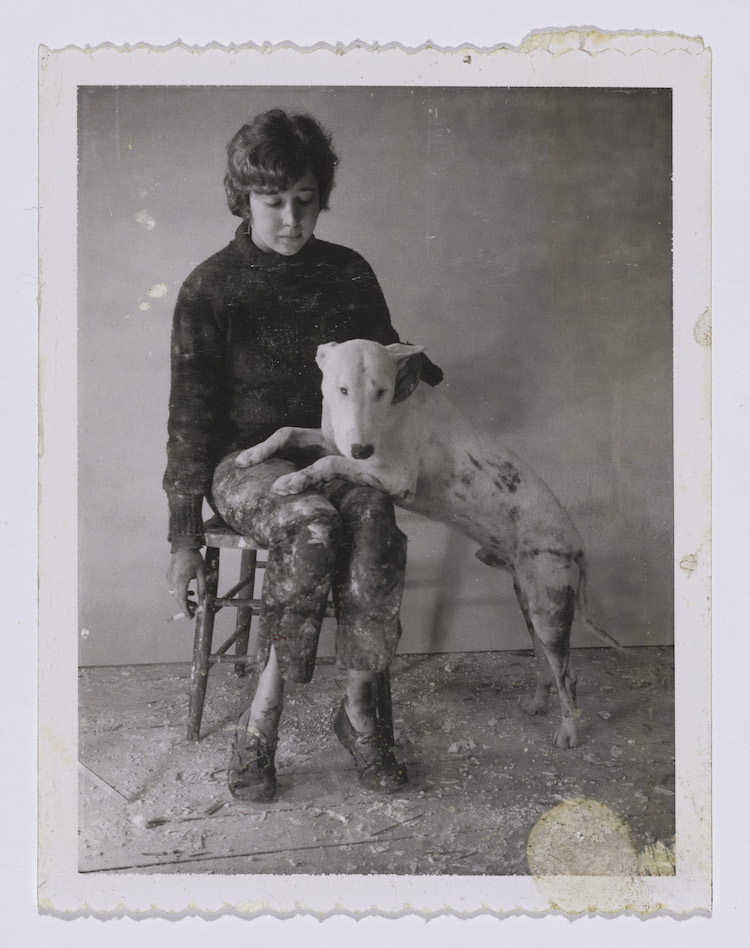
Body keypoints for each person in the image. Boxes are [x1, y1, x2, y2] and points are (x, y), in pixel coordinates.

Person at [164, 108, 442, 803]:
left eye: (305, 201)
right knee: (314, 526)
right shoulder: (211, 287)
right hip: (244, 466)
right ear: (244, 198)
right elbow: (189, 418)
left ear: (322, 197)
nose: (291, 218)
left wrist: (414, 368)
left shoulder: (347, 273)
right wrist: (182, 534)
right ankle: (260, 725)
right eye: (273, 202)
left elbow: (386, 358)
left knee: (374, 517)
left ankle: (359, 717)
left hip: (330, 454)